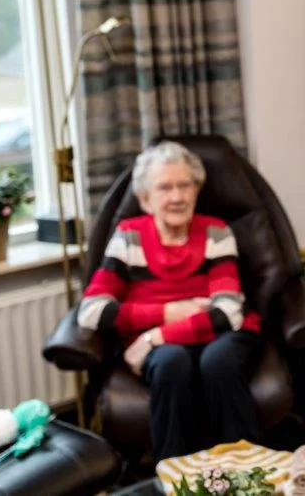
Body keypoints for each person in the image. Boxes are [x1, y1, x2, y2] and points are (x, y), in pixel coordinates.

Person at [77, 140, 263, 460]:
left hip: (218, 334)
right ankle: (173, 473)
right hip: (170, 346)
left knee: (218, 361)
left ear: (197, 190)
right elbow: (92, 311)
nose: (177, 197)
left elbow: (228, 313)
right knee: (171, 362)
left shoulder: (216, 232)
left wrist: (154, 336)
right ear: (145, 199)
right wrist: (169, 311)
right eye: (164, 187)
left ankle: (245, 470)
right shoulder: (129, 236)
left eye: (185, 185)